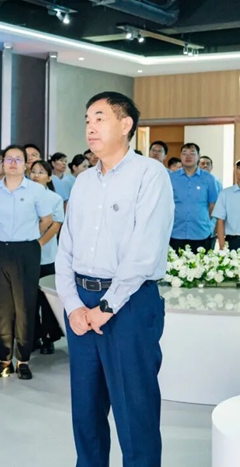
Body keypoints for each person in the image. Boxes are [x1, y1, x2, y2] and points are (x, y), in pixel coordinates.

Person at [56, 91, 173, 467]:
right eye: (87, 120)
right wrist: (73, 305)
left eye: (100, 118)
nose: (90, 127)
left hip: (130, 305)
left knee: (135, 412)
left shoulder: (150, 175)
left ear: (126, 125)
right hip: (83, 306)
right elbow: (65, 249)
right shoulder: (83, 182)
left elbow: (144, 252)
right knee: (86, 412)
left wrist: (106, 307)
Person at [0, 145, 52, 381]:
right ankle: (4, 360)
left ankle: (23, 360)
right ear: (2, 163)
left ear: (26, 164)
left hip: (26, 250)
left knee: (25, 306)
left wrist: (29, 236)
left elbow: (46, 219)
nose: (12, 163)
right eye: (8, 159)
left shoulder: (36, 190)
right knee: (2, 306)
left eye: (18, 159)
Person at [28, 160, 64, 354]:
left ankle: (49, 337)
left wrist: (38, 244)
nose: (36, 175)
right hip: (25, 255)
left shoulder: (54, 198)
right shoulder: (23, 195)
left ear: (49, 177)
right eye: (33, 171)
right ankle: (33, 336)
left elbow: (55, 225)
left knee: (47, 299)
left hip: (47, 255)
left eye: (41, 172)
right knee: (29, 299)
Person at [169, 142, 219, 252]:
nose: (188, 156)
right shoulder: (171, 178)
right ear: (180, 156)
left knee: (201, 263)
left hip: (200, 233)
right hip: (176, 232)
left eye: (192, 153)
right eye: (184, 153)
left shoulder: (209, 179)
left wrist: (204, 220)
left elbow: (213, 205)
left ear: (198, 156)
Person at [212, 160, 240, 251]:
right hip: (234, 241)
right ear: (236, 171)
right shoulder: (225, 194)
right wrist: (222, 246)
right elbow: (220, 220)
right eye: (239, 168)